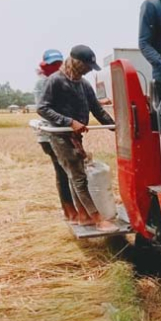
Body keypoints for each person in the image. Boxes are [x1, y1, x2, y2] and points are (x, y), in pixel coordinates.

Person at [37, 45, 119, 233]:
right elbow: (43, 108)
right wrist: (68, 121)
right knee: (78, 177)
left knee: (77, 174)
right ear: (76, 62)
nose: (90, 69)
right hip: (59, 135)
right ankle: (97, 220)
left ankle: (84, 216)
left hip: (75, 136)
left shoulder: (84, 84)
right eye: (87, 65)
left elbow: (97, 110)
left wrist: (116, 127)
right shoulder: (55, 81)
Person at [33, 49, 79, 221]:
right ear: (45, 65)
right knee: (63, 170)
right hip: (50, 134)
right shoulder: (43, 83)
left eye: (59, 63)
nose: (56, 67)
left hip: (63, 131)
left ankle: (74, 208)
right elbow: (43, 110)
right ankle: (69, 210)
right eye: (52, 64)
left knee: (69, 170)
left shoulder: (59, 80)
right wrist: (68, 121)